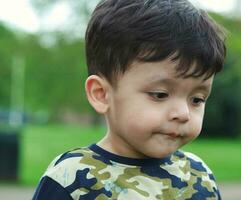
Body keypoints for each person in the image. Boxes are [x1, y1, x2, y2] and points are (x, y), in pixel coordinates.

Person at [33, 0, 226, 199]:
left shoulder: (199, 176)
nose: (183, 113)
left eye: (197, 99)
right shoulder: (71, 179)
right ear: (101, 94)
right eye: (160, 95)